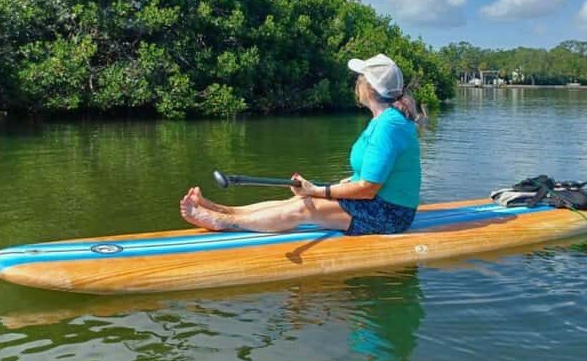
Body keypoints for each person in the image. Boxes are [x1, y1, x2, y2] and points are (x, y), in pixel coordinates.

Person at [179, 53, 422, 235]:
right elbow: (369, 174)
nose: (356, 82)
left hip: (389, 214)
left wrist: (317, 191)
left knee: (306, 207)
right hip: (376, 202)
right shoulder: (384, 120)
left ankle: (222, 223)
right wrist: (331, 185)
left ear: (368, 88)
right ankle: (222, 210)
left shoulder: (389, 125)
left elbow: (368, 188)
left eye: (360, 78)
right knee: (297, 200)